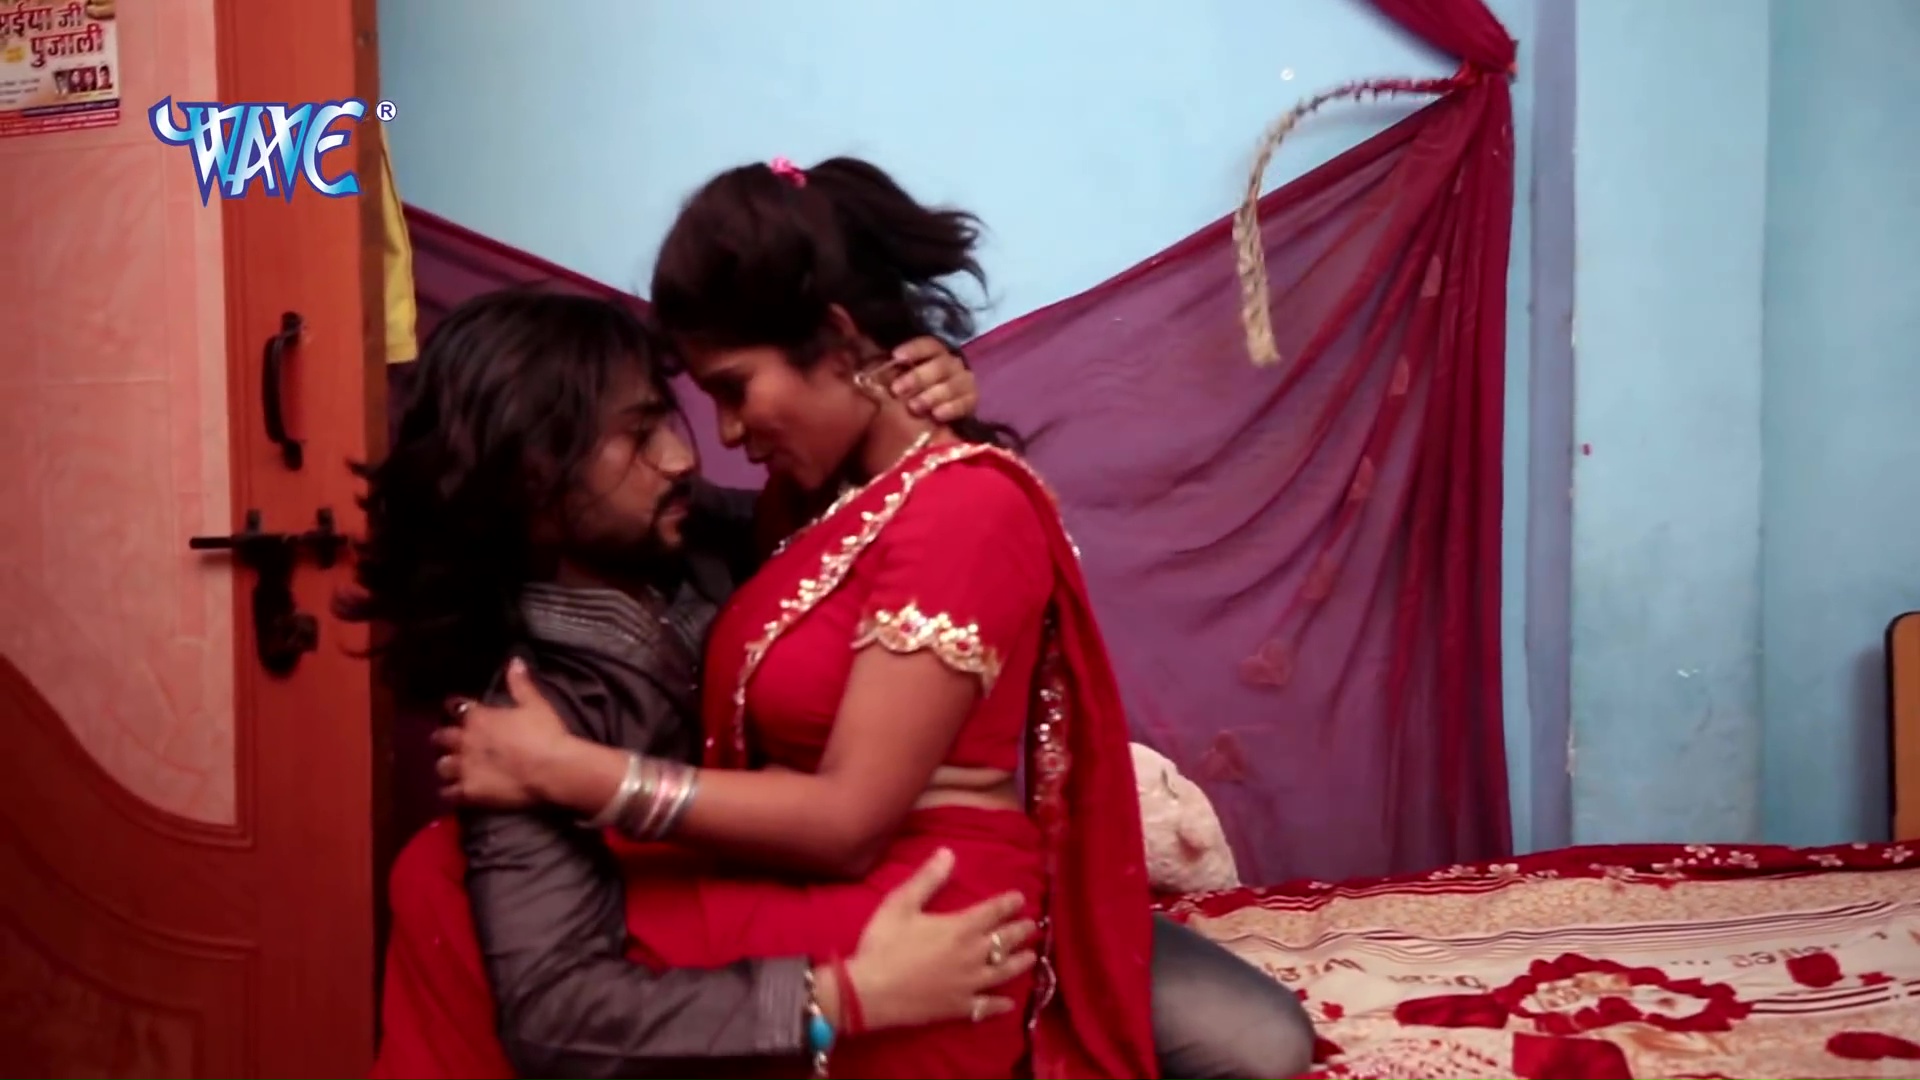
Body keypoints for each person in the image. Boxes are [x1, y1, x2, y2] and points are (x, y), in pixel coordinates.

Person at [432, 158, 1313, 1079]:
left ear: (838, 338)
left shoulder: (961, 508)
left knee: (484, 942)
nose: (709, 444)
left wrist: (571, 773)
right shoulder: (810, 514)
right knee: (454, 911)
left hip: (918, 897)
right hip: (836, 883)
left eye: (732, 389)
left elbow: (849, 814)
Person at [349, 290, 1029, 1080]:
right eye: (639, 436)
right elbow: (558, 1014)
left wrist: (915, 388)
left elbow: (858, 514)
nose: (683, 457)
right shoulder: (532, 725)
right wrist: (838, 999)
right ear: (532, 482)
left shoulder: (691, 537)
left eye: (668, 419)